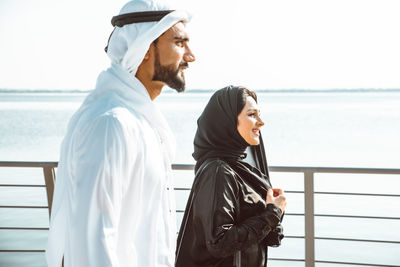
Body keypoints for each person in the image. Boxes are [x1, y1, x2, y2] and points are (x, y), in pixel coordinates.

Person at [45, 0, 195, 266]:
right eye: (180, 43)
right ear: (145, 47)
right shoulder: (111, 124)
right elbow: (94, 241)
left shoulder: (141, 122)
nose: (191, 56)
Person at [175, 86, 287, 267]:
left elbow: (270, 238)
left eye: (259, 114)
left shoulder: (242, 170)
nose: (261, 122)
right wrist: (272, 214)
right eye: (252, 115)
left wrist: (273, 211)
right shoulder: (218, 171)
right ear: (226, 122)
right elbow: (220, 243)